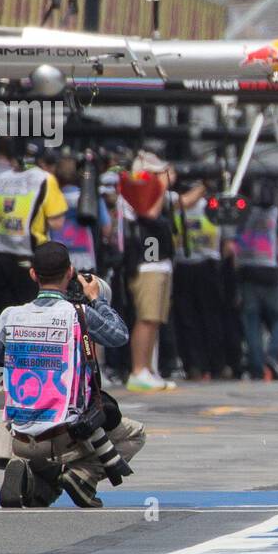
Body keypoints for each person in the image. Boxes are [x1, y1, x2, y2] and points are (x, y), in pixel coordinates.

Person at [0, 242, 141, 508]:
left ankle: (23, 467)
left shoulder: (10, 316)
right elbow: (119, 336)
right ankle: (83, 475)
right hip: (64, 435)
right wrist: (97, 299)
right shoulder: (78, 314)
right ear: (70, 273)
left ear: (33, 274)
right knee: (134, 433)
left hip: (19, 435)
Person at [121, 152, 197, 391]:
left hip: (161, 262)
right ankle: (138, 370)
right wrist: (162, 186)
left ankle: (149, 369)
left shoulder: (158, 193)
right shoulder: (135, 189)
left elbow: (182, 202)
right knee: (146, 317)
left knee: (155, 319)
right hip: (145, 263)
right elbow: (148, 214)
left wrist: (203, 187)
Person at [0, 151, 68, 332]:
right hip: (30, 260)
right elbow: (57, 222)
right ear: (41, 162)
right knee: (31, 319)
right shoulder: (45, 179)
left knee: (2, 318)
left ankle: (1, 358)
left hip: (0, 259)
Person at [171, 180, 226, 380]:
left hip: (206, 265)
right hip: (183, 266)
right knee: (188, 320)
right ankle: (193, 364)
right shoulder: (176, 206)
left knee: (209, 318)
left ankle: (215, 365)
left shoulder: (209, 207)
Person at [233, 180, 278, 379]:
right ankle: (271, 355)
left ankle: (256, 367)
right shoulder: (275, 212)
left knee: (251, 321)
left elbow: (233, 242)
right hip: (270, 271)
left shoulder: (240, 213)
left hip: (247, 271)